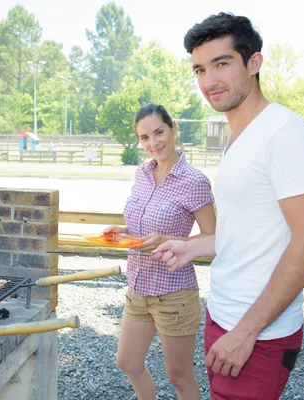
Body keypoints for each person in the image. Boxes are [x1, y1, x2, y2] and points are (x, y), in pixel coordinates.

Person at [152, 13, 304, 400]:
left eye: (222, 64)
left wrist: (246, 332)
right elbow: (247, 231)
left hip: (258, 334)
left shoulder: (287, 133)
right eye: (200, 69)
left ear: (254, 63)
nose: (209, 81)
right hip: (224, 317)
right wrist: (194, 246)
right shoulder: (237, 136)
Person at [107, 103, 216, 400]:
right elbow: (141, 229)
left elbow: (214, 239)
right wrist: (122, 233)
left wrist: (169, 239)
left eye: (159, 132)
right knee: (127, 362)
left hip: (174, 293)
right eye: (144, 137)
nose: (153, 143)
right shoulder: (142, 173)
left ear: (173, 128)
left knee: (178, 376)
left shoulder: (194, 181)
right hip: (139, 288)